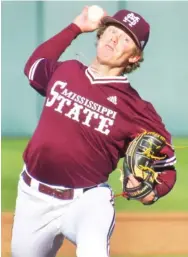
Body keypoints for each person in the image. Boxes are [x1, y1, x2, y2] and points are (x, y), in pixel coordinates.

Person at [11, 6, 177, 257]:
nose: (114, 38)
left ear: (134, 57)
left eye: (125, 38)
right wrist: (75, 27)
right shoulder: (66, 71)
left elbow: (167, 164)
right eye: (111, 31)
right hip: (33, 197)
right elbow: (34, 66)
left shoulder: (136, 108)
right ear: (99, 35)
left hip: (88, 201)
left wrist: (151, 193)